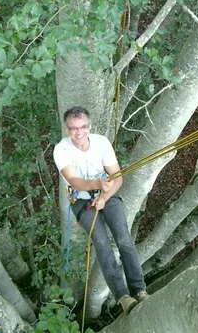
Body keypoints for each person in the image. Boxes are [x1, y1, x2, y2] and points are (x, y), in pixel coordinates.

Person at [53, 106, 148, 314]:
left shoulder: (101, 143)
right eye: (74, 128)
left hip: (108, 194)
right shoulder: (61, 150)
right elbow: (74, 181)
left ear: (90, 126)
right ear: (67, 129)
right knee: (102, 244)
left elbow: (117, 176)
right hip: (81, 201)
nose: (79, 132)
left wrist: (104, 196)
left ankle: (139, 290)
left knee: (124, 239)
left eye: (83, 127)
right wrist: (97, 184)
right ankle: (122, 296)